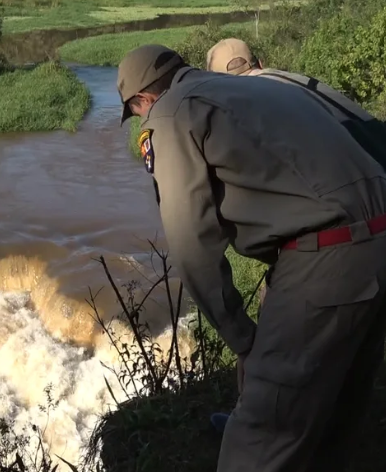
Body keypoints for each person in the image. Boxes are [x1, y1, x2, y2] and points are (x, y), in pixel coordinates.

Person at [116, 44, 386, 472]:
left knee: (261, 435)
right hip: (376, 237)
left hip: (329, 254)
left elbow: (191, 244)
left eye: (136, 112)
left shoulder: (169, 115)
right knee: (339, 405)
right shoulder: (257, 85)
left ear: (142, 100)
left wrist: (242, 339)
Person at [206, 37, 386, 170]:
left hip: (364, 175)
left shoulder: (249, 99)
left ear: (219, 83)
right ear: (260, 63)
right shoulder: (296, 79)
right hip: (376, 138)